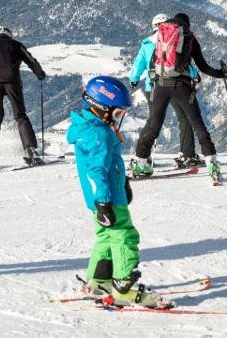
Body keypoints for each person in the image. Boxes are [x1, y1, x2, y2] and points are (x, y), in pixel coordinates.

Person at [66, 75, 163, 308]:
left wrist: (123, 183)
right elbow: (95, 171)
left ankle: (99, 282)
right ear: (101, 108)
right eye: (118, 113)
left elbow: (109, 166)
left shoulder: (92, 128)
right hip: (108, 200)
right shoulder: (98, 134)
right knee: (124, 236)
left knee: (106, 237)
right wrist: (104, 203)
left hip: (106, 197)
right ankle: (123, 287)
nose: (120, 119)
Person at [130, 13, 227, 181]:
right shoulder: (189, 37)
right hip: (182, 87)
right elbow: (202, 66)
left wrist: (135, 80)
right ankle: (212, 164)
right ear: (186, 25)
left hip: (159, 86)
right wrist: (221, 74)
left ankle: (141, 163)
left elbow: (151, 62)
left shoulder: (160, 36)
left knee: (153, 125)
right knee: (197, 124)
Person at [127, 13, 204, 169]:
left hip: (153, 87)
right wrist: (195, 76)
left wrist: (134, 79)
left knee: (153, 121)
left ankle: (142, 157)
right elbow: (184, 64)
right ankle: (187, 155)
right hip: (175, 84)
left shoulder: (147, 43)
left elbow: (138, 65)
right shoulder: (175, 38)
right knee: (185, 118)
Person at [0, 25, 47, 166]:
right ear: (9, 35)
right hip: (13, 82)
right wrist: (40, 74)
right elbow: (31, 60)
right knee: (20, 116)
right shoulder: (16, 45)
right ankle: (29, 150)